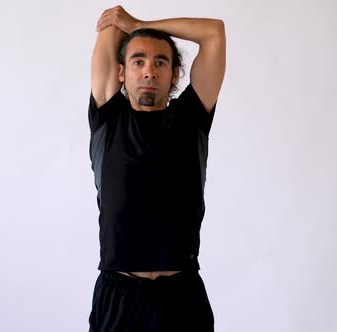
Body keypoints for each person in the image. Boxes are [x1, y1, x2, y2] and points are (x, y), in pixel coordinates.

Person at [88, 5, 226, 331]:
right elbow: (112, 20)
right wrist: (128, 24)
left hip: (181, 295)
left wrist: (139, 24)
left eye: (160, 62)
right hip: (119, 294)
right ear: (121, 71)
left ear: (175, 73)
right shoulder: (109, 115)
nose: (149, 71)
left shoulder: (192, 117)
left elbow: (214, 32)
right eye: (138, 61)